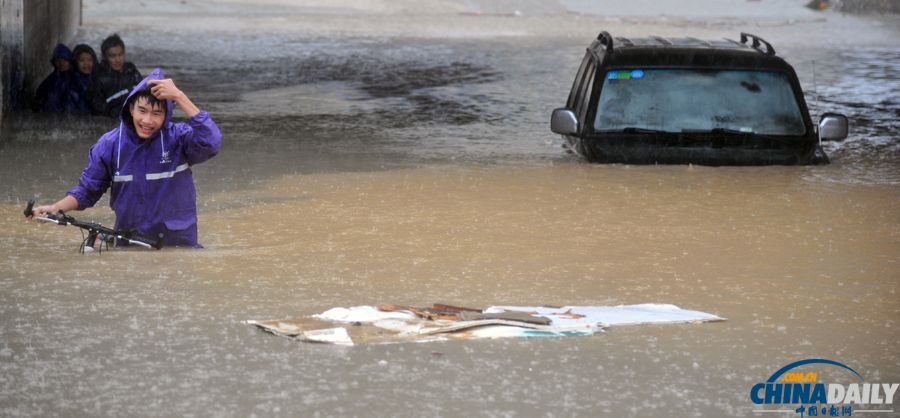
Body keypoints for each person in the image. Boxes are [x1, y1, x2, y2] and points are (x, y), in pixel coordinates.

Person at [30, 69, 222, 248]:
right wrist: (55, 208)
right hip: (131, 246)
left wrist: (179, 96)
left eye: (157, 113)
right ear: (131, 108)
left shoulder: (179, 138)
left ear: (167, 115)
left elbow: (212, 142)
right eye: (142, 111)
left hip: (179, 247)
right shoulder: (109, 145)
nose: (147, 121)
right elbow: (87, 192)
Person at [89, 34, 143, 117]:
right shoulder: (99, 76)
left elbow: (142, 90)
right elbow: (96, 106)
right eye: (112, 56)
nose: (118, 60)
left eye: (120, 54)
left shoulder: (130, 70)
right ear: (104, 57)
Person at [32, 43, 78, 113]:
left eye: (64, 60)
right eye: (58, 61)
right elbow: (38, 100)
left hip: (72, 119)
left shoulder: (77, 78)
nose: (61, 64)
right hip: (52, 119)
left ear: (70, 61)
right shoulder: (50, 81)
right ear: (54, 63)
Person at [71, 43, 99, 113]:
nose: (86, 63)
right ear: (75, 62)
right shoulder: (72, 82)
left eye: (89, 60)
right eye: (81, 60)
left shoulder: (99, 79)